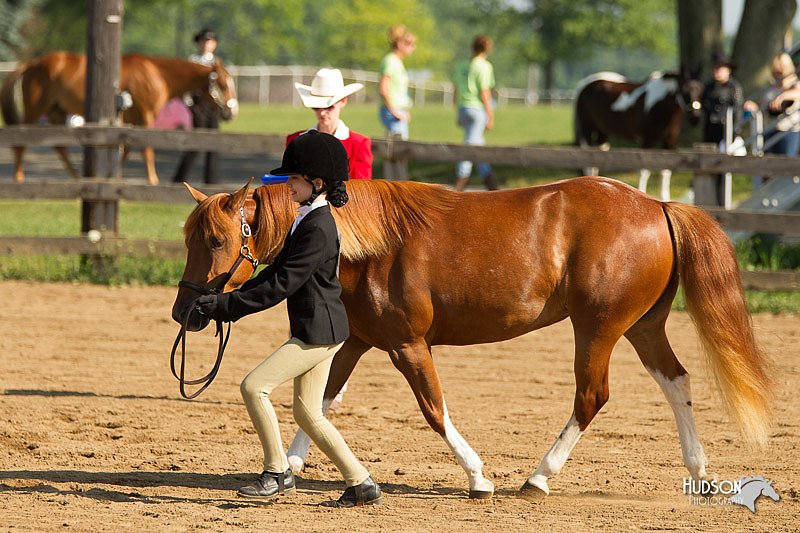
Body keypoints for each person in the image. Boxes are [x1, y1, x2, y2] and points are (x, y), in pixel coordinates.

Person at [193, 131, 384, 508]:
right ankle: (362, 483)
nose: (288, 185)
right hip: (318, 328)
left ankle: (277, 472)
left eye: (294, 179)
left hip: (318, 334)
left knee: (254, 387)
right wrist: (224, 298)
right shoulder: (304, 219)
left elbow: (282, 284)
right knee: (309, 414)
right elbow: (272, 271)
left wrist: (228, 309)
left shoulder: (319, 227)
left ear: (316, 183)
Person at [288, 68, 373, 180]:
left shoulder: (359, 144)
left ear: (343, 102)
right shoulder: (295, 141)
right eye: (316, 107)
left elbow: (362, 190)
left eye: (329, 107)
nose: (322, 113)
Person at [173, 28, 221, 184]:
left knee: (213, 145)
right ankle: (180, 179)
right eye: (203, 41)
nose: (206, 44)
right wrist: (189, 105)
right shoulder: (193, 61)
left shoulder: (217, 63)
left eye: (209, 41)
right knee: (195, 144)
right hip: (197, 106)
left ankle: (211, 182)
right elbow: (185, 85)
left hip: (213, 108)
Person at [453, 35, 498, 191]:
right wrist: (490, 114)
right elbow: (485, 92)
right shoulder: (484, 66)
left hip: (463, 107)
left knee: (477, 143)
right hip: (476, 109)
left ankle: (490, 183)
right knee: (470, 147)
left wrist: (457, 112)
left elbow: (456, 89)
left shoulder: (462, 65)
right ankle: (460, 183)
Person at [701, 52, 744, 206]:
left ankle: (721, 205)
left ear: (728, 70)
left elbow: (738, 112)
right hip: (709, 133)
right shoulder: (708, 87)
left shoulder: (734, 88)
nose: (717, 71)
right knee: (707, 169)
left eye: (720, 68)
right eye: (715, 68)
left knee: (722, 172)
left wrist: (733, 134)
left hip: (726, 133)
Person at [744, 52, 800, 158]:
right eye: (776, 72)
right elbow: (764, 104)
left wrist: (784, 96)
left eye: (782, 71)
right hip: (770, 129)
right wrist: (754, 105)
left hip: (788, 130)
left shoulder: (795, 84)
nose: (779, 75)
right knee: (769, 163)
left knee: (786, 164)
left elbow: (798, 93)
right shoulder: (772, 87)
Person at [378, 25, 416, 180]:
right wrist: (395, 111)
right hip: (394, 112)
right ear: (400, 44)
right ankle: (398, 188)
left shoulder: (396, 62)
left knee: (398, 153)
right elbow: (384, 88)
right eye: (409, 44)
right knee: (397, 152)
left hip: (398, 111)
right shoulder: (391, 61)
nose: (412, 48)